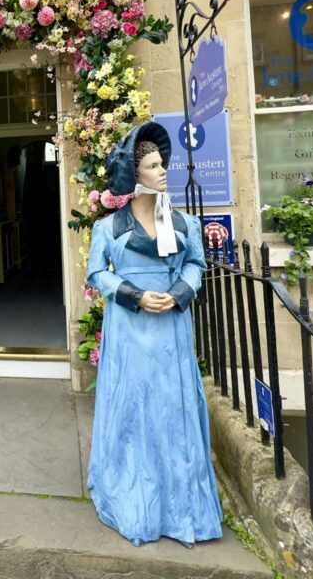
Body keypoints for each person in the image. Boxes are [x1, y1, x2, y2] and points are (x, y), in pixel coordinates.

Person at [86, 121, 222, 548]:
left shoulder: (182, 224)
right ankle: (136, 496)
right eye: (152, 165)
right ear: (135, 175)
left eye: (163, 163)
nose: (163, 171)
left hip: (172, 328)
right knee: (135, 407)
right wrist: (134, 295)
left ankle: (181, 504)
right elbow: (96, 274)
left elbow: (195, 265)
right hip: (131, 327)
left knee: (173, 408)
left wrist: (178, 292)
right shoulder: (107, 229)